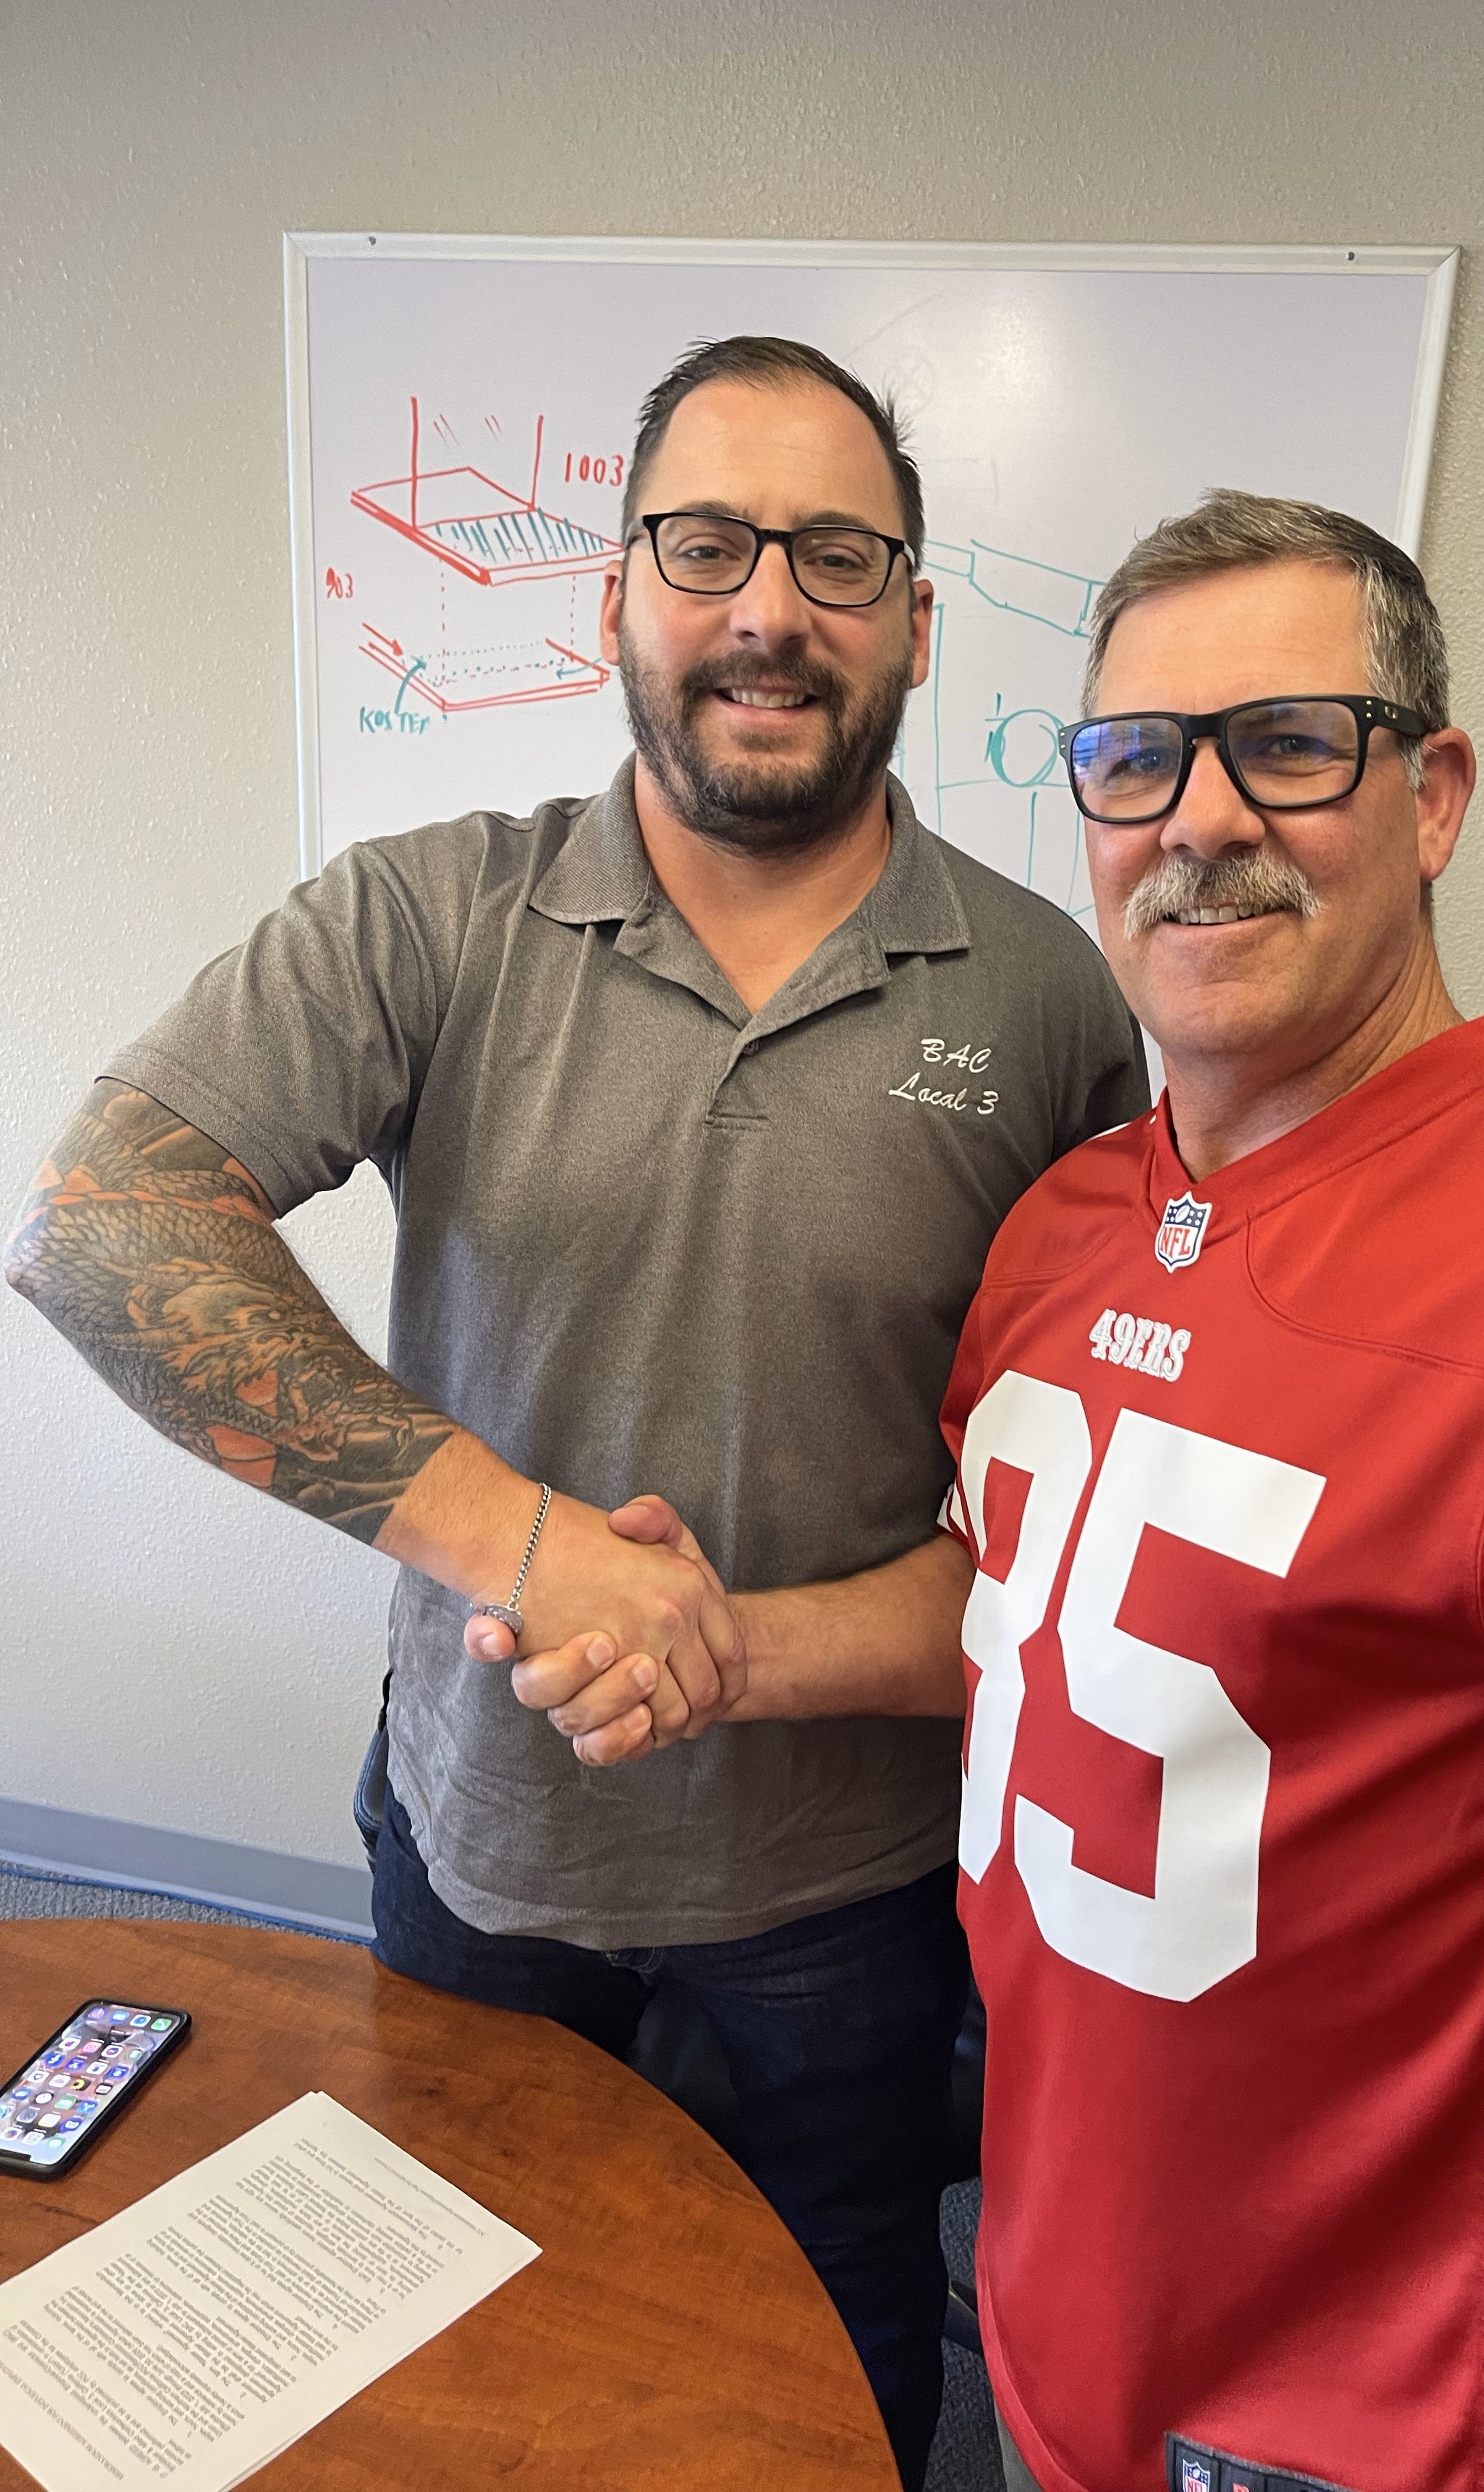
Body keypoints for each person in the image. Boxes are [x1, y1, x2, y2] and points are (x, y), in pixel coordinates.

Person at [517, 491, 1484, 2492]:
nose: (1200, 818)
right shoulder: (1076, 1216)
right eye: (1135, 760)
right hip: (1073, 2318)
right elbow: (1029, 1619)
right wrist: (726, 1647)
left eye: (1293, 745)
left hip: (1391, 2423)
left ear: (1433, 796)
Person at [4, 334, 1148, 2488]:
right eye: (704, 542)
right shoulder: (430, 914)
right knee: (457, 2347)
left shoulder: (1051, 999)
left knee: (835, 2359)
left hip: (859, 1889)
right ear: (610, 598)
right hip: (484, 1849)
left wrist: (748, 1652)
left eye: (836, 553)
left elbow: (1080, 1498)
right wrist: (529, 1552)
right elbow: (101, 1224)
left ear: (913, 617)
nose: (766, 608)